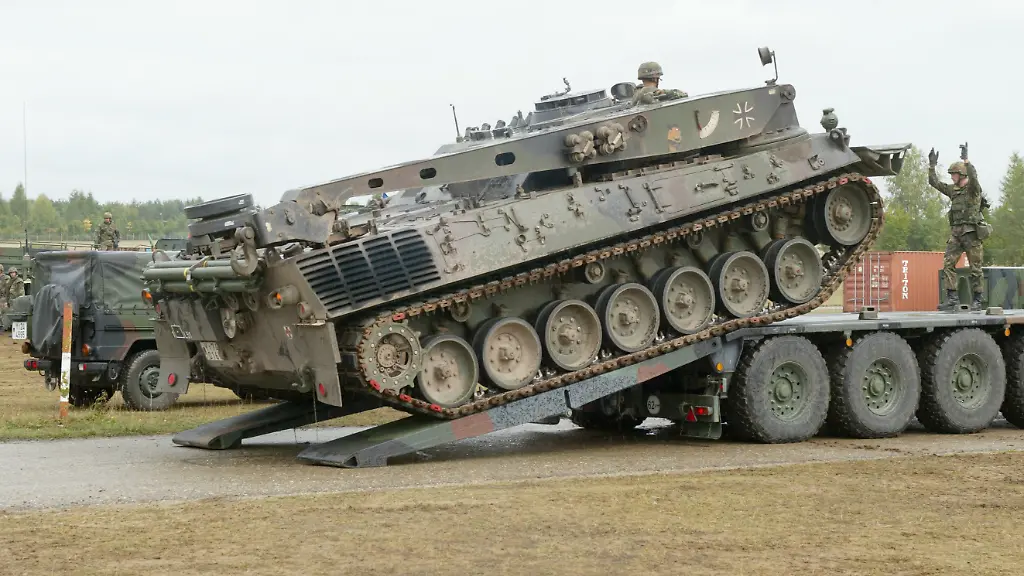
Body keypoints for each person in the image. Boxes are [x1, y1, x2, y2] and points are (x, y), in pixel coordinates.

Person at [929, 143, 991, 311]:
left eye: (954, 174)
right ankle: (952, 299)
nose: (951, 177)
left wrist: (966, 160)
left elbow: (974, 176)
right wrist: (932, 166)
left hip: (972, 234)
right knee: (948, 264)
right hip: (956, 233)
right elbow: (934, 182)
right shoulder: (953, 190)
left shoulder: (973, 189)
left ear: (962, 174)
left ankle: (978, 300)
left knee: (975, 268)